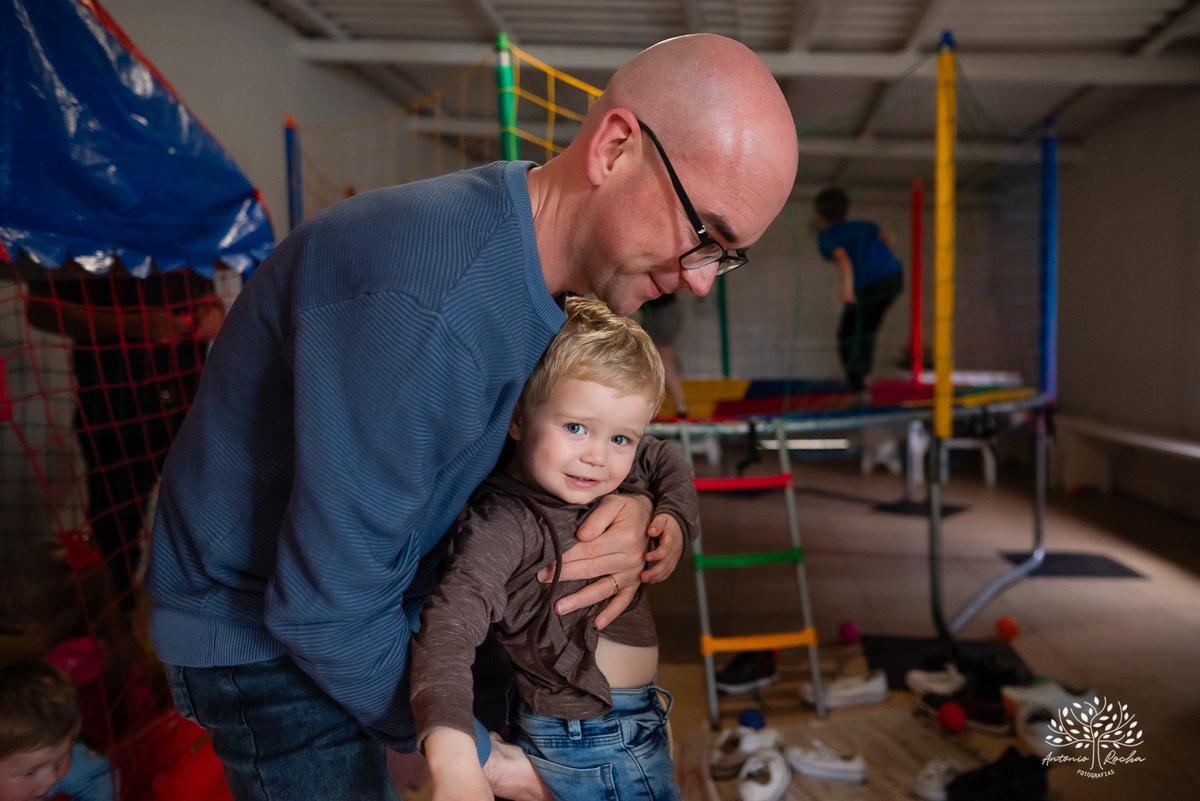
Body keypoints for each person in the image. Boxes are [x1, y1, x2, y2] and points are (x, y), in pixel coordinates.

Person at [145, 32, 798, 801]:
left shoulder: (563, 280)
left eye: (726, 254)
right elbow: (323, 609)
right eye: (704, 235)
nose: (699, 282)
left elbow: (556, 440)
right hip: (266, 624)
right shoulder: (427, 304)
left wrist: (636, 503)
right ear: (616, 147)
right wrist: (478, 755)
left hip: (394, 582)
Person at [411, 297, 697, 801]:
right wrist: (456, 765)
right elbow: (449, 627)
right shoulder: (506, 524)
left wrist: (673, 514)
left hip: (627, 718)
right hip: (588, 737)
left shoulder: (610, 467)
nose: (596, 457)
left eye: (620, 439)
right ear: (519, 419)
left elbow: (664, 457)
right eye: (575, 428)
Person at [22, 256, 225, 607]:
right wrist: (129, 325)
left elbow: (208, 295)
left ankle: (209, 636)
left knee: (211, 528)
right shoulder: (83, 223)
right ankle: (118, 639)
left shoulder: (187, 216)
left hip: (189, 400)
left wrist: (214, 313)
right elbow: (39, 309)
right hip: (115, 406)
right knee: (114, 538)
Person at [812, 187, 903, 394]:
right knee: (865, 332)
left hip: (870, 284)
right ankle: (865, 378)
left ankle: (858, 386)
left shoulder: (827, 236)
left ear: (819, 214)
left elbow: (843, 259)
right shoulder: (864, 225)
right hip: (894, 277)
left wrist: (847, 290)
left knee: (848, 336)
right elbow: (888, 237)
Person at [0, 661, 113, 801]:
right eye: (30, 773)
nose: (52, 779)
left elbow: (98, 778)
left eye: (67, 754)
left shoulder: (51, 756)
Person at [641, 295, 688, 417]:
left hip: (662, 313)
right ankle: (680, 406)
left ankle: (681, 407)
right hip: (662, 312)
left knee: (664, 363)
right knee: (663, 362)